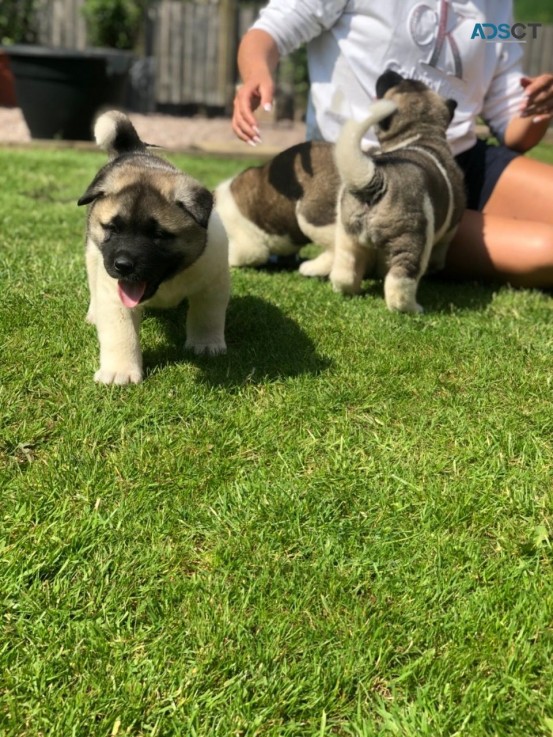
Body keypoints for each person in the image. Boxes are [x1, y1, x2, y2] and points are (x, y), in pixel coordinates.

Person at [231, 1, 553, 288]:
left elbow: (513, 130)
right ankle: (378, 250)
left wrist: (539, 108)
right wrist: (257, 71)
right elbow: (267, 33)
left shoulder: (494, 7)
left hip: (460, 160)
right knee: (546, 252)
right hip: (381, 181)